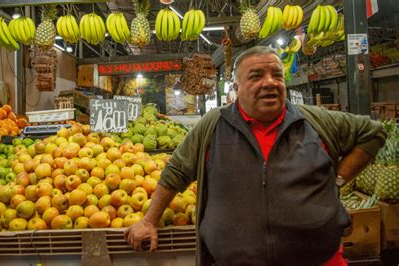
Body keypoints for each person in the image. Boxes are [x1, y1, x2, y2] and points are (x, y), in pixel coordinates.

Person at [124, 46, 387, 265]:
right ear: (237, 88)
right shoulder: (213, 125)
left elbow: (373, 133)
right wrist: (149, 220)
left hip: (319, 260)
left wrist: (339, 179)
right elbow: (177, 171)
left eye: (277, 75)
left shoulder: (315, 120)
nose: (270, 82)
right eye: (256, 76)